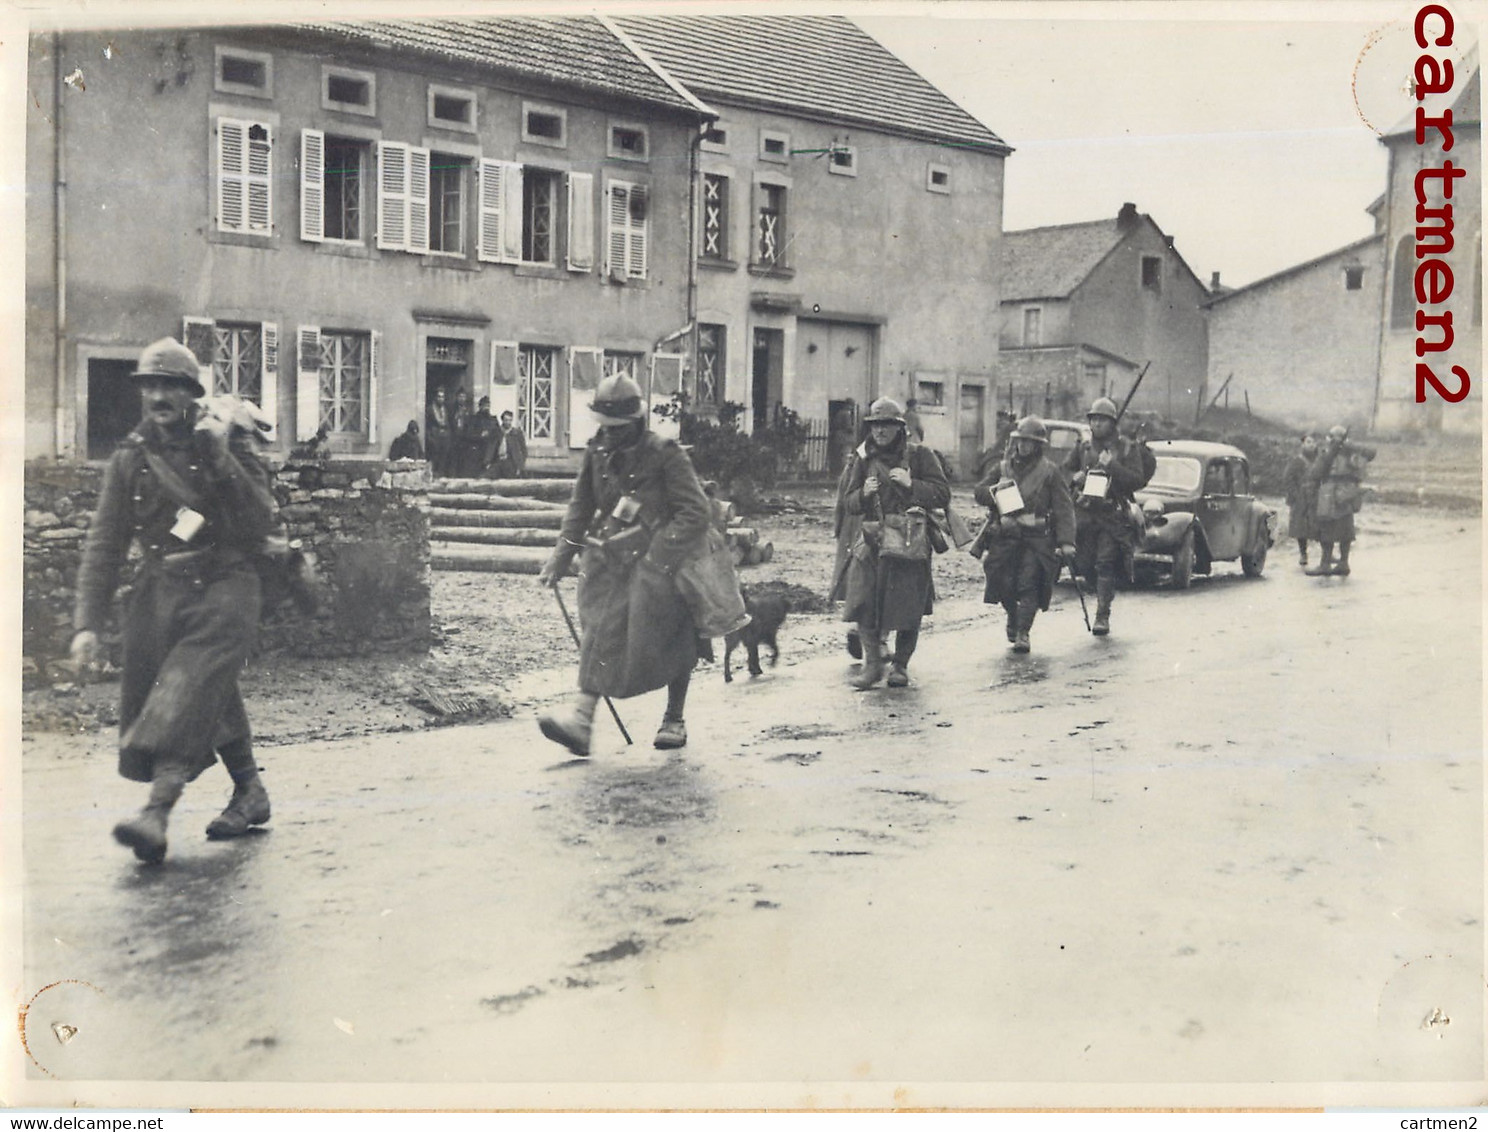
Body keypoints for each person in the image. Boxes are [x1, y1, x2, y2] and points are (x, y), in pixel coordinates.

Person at [70, 338, 279, 864]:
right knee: (206, 687)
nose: (159, 395)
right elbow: (106, 541)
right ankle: (250, 792)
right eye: (150, 386)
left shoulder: (224, 440)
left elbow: (260, 518)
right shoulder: (131, 458)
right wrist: (86, 624)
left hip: (228, 584)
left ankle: (156, 812)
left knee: (183, 686)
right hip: (163, 591)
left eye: (171, 386)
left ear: (192, 394)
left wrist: (219, 456)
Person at [536, 374, 712, 754]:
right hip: (609, 559)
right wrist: (559, 558)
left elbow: (696, 512)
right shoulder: (596, 452)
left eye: (617, 428)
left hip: (660, 562)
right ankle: (582, 723)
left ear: (636, 422)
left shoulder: (665, 453)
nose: (609, 435)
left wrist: (659, 556)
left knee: (675, 636)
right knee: (599, 630)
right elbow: (580, 509)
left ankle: (674, 718)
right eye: (604, 426)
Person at [837, 396, 951, 689]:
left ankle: (900, 665)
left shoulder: (920, 456)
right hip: (873, 540)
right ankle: (872, 664)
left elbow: (942, 494)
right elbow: (849, 503)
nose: (880, 431)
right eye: (875, 426)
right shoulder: (864, 460)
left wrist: (912, 485)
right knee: (862, 602)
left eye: (886, 425)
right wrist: (862, 493)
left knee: (908, 606)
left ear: (899, 427)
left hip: (909, 540)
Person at [973, 416, 1077, 653]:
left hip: (1037, 537)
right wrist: (995, 492)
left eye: (1030, 442)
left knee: (1028, 583)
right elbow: (979, 492)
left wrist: (1066, 541)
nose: (1024, 446)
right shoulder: (1002, 468)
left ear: (1039, 445)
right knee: (1002, 580)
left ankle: (1023, 632)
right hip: (1006, 535)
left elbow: (1064, 507)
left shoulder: (1050, 472)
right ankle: (1013, 614)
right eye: (1021, 441)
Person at [1070, 396, 1155, 636]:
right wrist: (1076, 477)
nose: (1096, 424)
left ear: (1112, 423)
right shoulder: (1084, 447)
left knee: (1105, 563)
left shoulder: (1127, 448)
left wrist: (1112, 467)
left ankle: (1102, 615)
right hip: (1085, 515)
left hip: (1112, 515)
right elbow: (1065, 470)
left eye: (1102, 420)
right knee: (1085, 563)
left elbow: (1137, 480)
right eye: (1093, 419)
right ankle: (1100, 595)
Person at [1306, 425, 1375, 577]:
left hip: (1330, 494)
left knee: (1326, 527)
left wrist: (1337, 448)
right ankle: (1344, 563)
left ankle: (1325, 564)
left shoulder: (1328, 453)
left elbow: (1316, 472)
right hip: (1349, 494)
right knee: (1346, 528)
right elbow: (1370, 454)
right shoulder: (1354, 454)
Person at [1282, 432, 1319, 566]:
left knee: (1320, 524)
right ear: (1302, 444)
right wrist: (1295, 495)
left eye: (1313, 442)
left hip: (1316, 496)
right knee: (1301, 527)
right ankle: (1303, 554)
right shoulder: (1297, 461)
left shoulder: (1319, 461)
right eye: (1308, 442)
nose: (1311, 445)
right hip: (1301, 497)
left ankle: (1327, 554)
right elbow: (1288, 478)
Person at [491, 410, 528, 479]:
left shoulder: (517, 433)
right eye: (506, 420)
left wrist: (520, 466)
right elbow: (491, 448)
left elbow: (524, 451)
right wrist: (488, 462)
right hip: (498, 461)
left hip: (511, 463)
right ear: (502, 420)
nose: (508, 422)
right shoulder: (497, 432)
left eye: (510, 420)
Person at [426, 386, 453, 477]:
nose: (441, 399)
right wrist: (430, 437)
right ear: (435, 397)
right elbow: (428, 425)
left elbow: (448, 423)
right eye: (439, 396)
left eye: (442, 397)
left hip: (444, 437)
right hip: (434, 436)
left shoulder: (446, 409)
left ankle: (441, 475)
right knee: (435, 457)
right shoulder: (430, 409)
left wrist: (448, 435)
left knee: (444, 458)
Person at [470, 396, 498, 477]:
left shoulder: (493, 420)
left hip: (490, 453)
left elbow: (498, 434)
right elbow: (469, 434)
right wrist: (480, 435)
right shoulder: (474, 419)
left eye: (488, 405)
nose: (486, 408)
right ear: (480, 406)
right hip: (477, 452)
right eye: (484, 405)